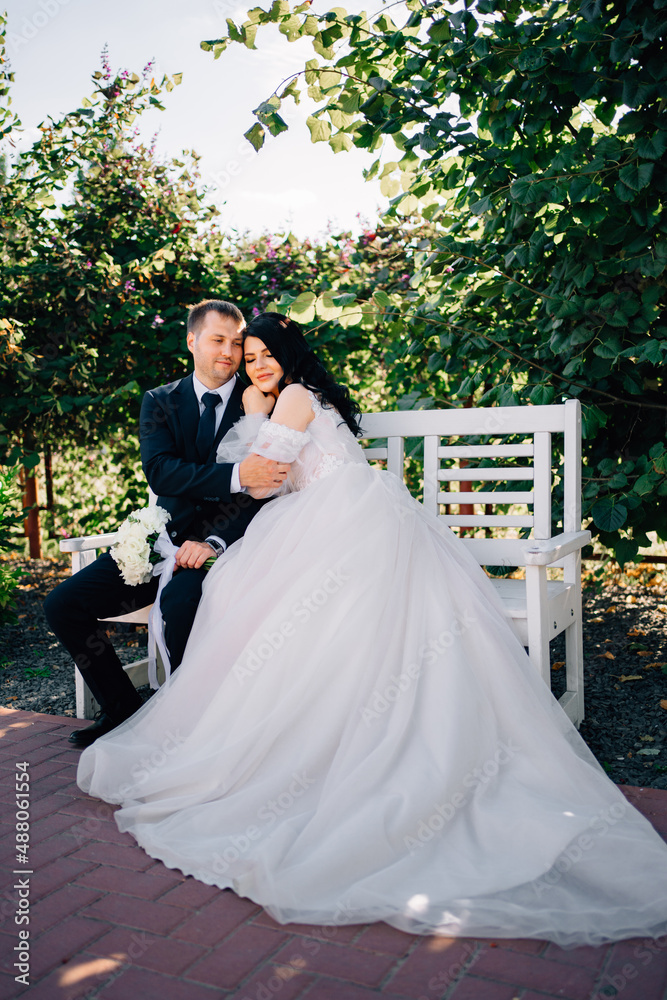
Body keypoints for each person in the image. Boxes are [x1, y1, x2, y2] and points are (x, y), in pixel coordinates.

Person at [77, 313, 667, 946]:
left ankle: (317, 746)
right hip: (336, 519)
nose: (257, 365)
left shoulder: (297, 398)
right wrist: (253, 412)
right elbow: (259, 481)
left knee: (271, 602)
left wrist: (251, 406)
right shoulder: (293, 400)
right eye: (249, 358)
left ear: (291, 355)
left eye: (266, 354)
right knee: (261, 599)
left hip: (340, 522)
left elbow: (262, 474)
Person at [45, 300, 289, 748]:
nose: (229, 353)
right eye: (218, 341)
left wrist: (214, 541)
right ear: (192, 341)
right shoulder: (159, 401)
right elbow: (161, 471)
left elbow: (266, 494)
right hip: (158, 543)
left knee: (181, 606)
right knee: (62, 604)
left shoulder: (260, 400)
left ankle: (190, 729)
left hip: (224, 549)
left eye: (236, 343)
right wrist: (237, 475)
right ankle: (122, 709)